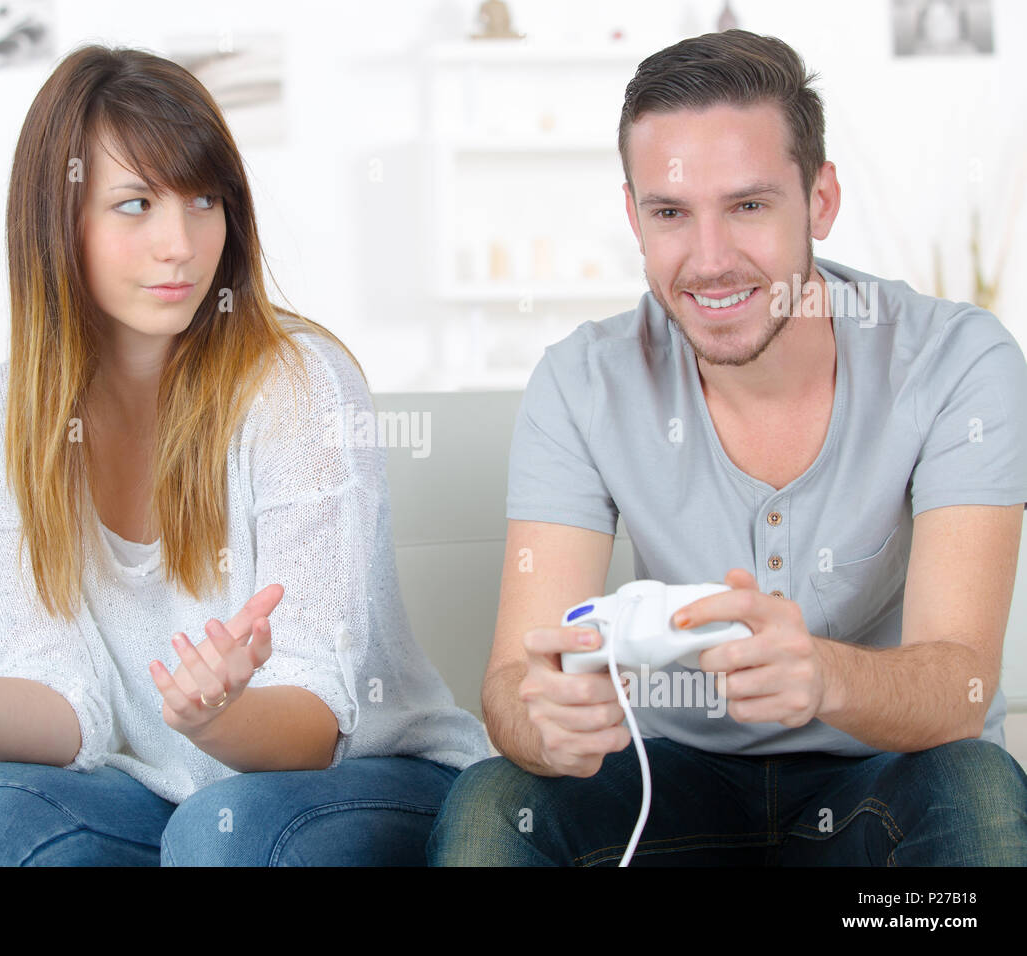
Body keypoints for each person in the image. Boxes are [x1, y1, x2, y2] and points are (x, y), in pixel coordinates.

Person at [0, 43, 489, 866]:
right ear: (56, 220)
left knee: (225, 831)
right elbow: (72, 714)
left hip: (360, 782)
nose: (180, 243)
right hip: (163, 799)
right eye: (136, 204)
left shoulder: (299, 388)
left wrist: (216, 717)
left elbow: (316, 723)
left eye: (203, 200)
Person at [427, 29, 1027, 866]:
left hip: (883, 782)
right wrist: (547, 725)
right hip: (666, 784)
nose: (710, 262)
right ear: (635, 217)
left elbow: (961, 684)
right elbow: (511, 685)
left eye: (748, 206)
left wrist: (825, 676)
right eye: (672, 214)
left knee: (980, 791)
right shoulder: (582, 381)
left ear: (819, 200)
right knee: (494, 800)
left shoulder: (958, 362)